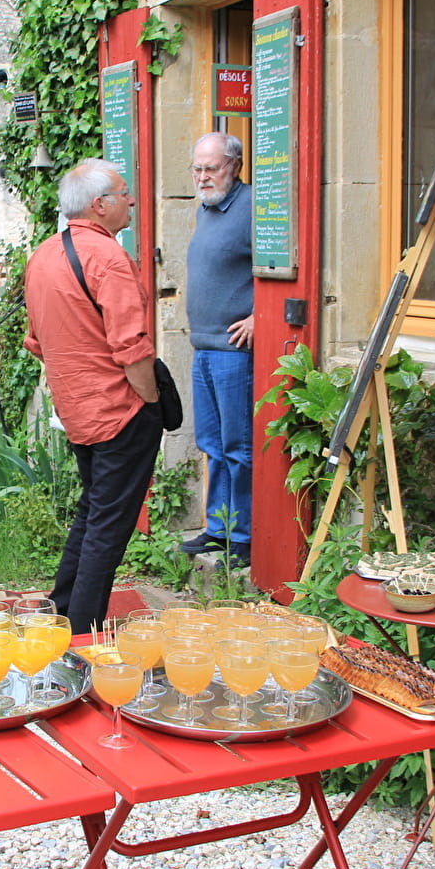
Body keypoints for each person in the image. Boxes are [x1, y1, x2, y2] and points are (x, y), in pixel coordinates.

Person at [23, 159, 161, 635]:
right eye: (125, 194)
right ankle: (82, 632)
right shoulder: (110, 258)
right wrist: (151, 402)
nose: (132, 201)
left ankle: (61, 610)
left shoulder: (42, 256)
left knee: (92, 512)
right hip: (121, 409)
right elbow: (132, 347)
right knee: (108, 527)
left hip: (77, 409)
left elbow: (37, 341)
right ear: (100, 205)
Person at [180, 133, 254, 565]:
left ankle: (241, 536)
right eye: (198, 169)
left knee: (236, 446)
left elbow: (283, 262)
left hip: (233, 350)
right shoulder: (206, 209)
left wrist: (260, 316)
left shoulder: (252, 209)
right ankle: (218, 529)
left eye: (212, 168)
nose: (204, 177)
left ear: (235, 166)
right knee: (210, 442)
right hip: (203, 346)